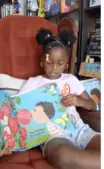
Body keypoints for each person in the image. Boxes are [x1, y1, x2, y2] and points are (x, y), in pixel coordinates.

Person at [14, 28, 100, 169]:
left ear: (66, 64)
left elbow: (92, 105)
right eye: (49, 62)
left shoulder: (71, 80)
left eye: (60, 64)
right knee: (63, 156)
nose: (54, 68)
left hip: (79, 129)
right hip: (53, 135)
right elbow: (17, 108)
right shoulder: (32, 82)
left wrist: (79, 101)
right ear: (42, 60)